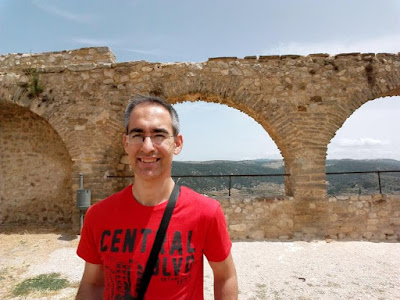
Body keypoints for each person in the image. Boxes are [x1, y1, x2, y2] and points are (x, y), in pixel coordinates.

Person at [76, 95, 238, 299]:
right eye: (138, 135)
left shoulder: (206, 212)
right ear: (125, 142)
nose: (147, 146)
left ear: (177, 144)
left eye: (158, 135)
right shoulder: (98, 215)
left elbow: (225, 276)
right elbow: (92, 283)